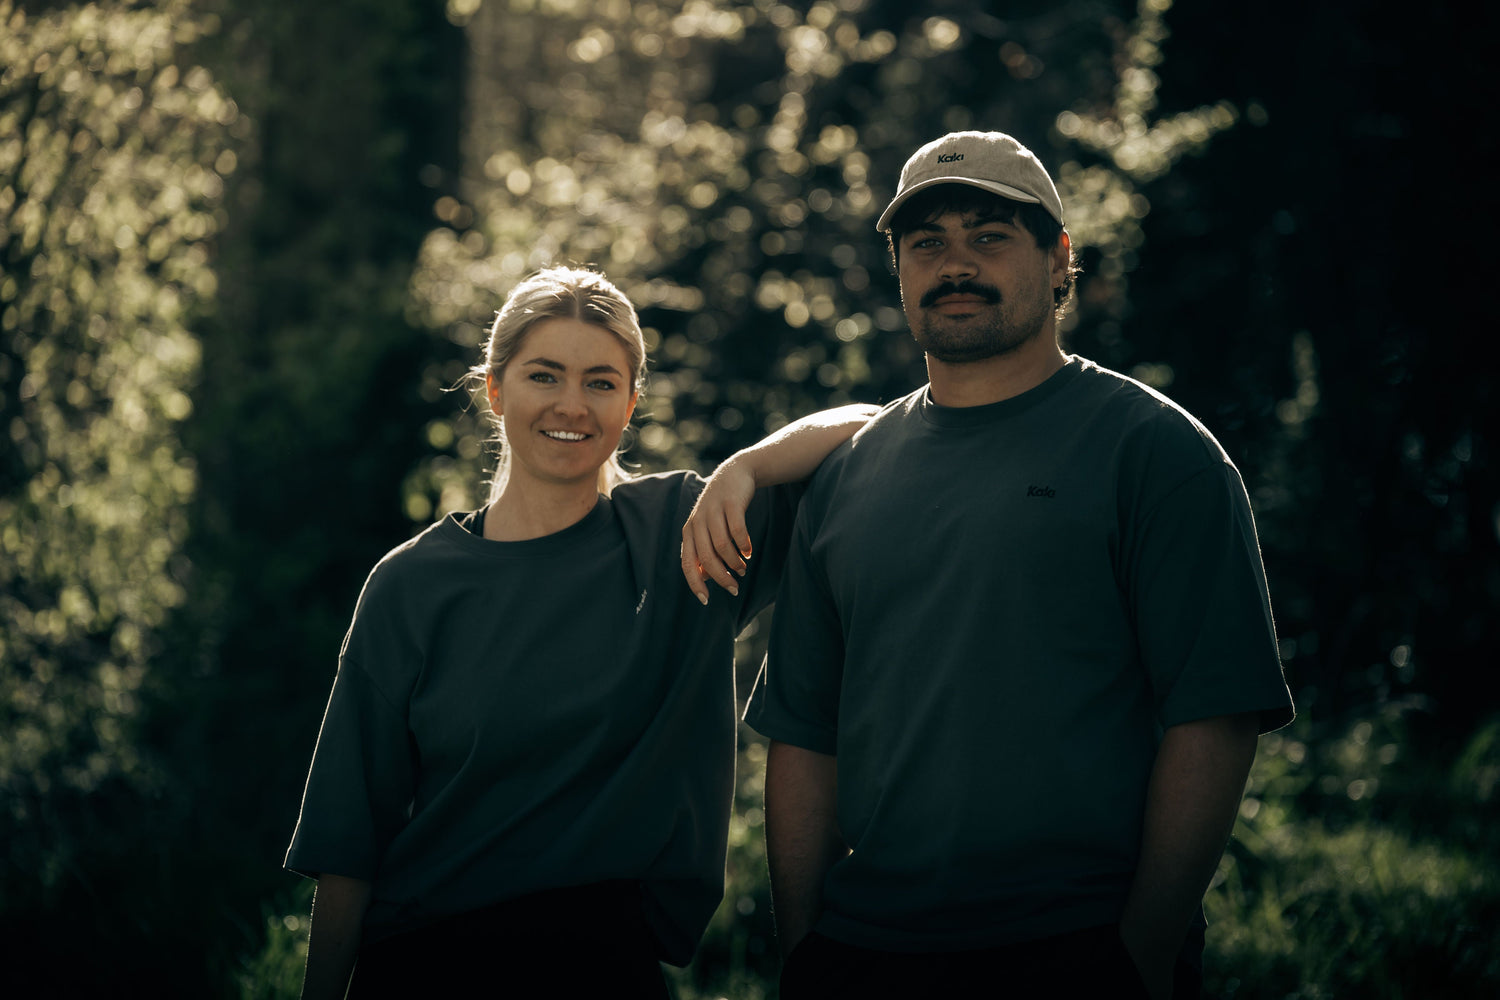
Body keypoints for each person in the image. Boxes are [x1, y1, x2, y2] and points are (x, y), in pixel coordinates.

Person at [739, 131, 1295, 999]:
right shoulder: (843, 474)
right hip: (867, 950)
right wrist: (805, 952)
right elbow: (805, 736)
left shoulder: (1156, 453)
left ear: (1059, 256)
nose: (954, 263)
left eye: (989, 235)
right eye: (927, 242)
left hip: (1075, 945)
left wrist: (1139, 955)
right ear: (898, 270)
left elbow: (1214, 719)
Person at [285, 265, 875, 998]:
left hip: (604, 963)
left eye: (601, 382)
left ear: (630, 404)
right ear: (495, 390)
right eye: (544, 375)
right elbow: (348, 841)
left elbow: (882, 429)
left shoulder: (687, 535)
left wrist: (747, 468)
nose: (572, 404)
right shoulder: (411, 585)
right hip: (425, 961)